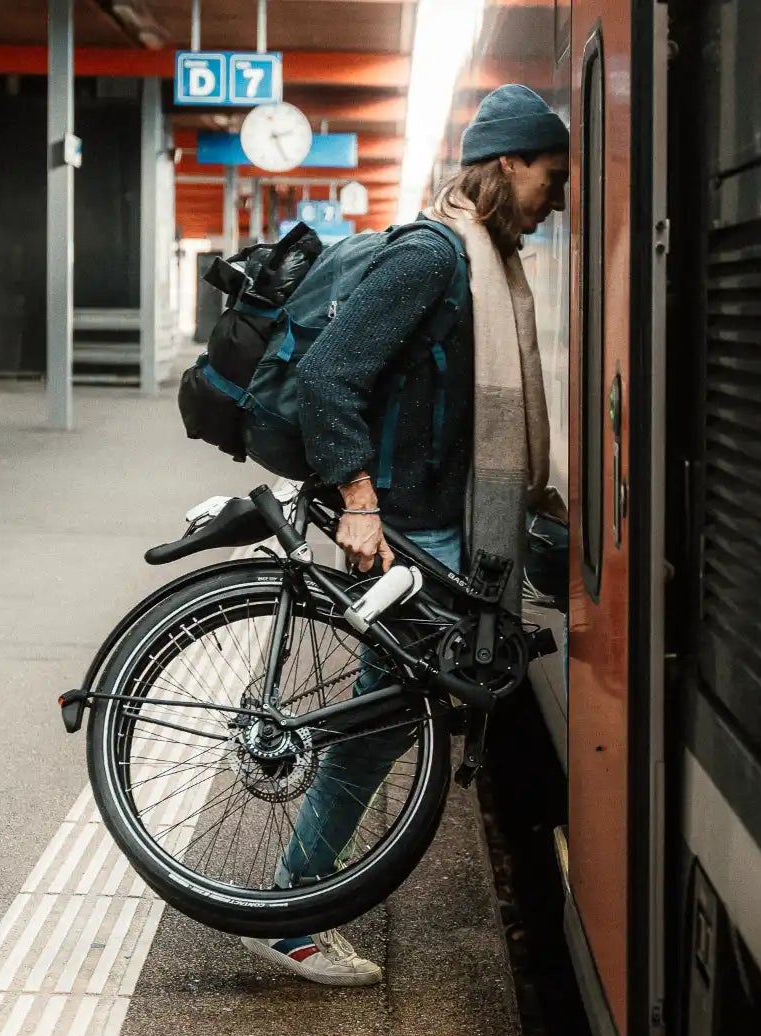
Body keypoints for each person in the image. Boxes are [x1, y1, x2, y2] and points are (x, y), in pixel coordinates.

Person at [236, 84, 571, 987]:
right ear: (508, 166)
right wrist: (360, 499)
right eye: (552, 171)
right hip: (403, 528)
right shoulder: (433, 259)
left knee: (389, 717)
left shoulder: (483, 268)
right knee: (384, 720)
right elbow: (332, 377)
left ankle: (292, 900)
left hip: (433, 523)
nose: (562, 193)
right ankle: (290, 907)